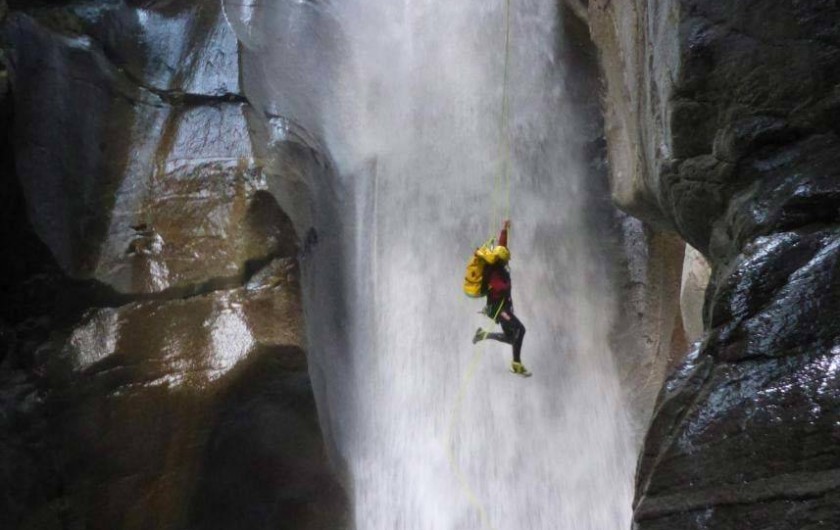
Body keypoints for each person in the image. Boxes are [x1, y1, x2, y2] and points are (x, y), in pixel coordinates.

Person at [472, 220, 530, 377]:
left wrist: (504, 230)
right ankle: (516, 364)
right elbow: (499, 287)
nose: (507, 261)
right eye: (506, 260)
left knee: (512, 338)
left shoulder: (500, 262)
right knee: (520, 329)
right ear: (501, 259)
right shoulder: (493, 271)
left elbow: (502, 246)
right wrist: (505, 283)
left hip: (504, 307)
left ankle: (482, 334)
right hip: (498, 309)